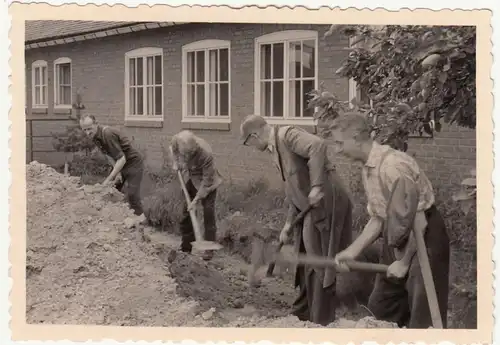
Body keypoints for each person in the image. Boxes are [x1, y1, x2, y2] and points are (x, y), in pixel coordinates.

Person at [331, 112, 450, 329]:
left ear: (356, 137)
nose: (337, 150)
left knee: (423, 316)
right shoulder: (369, 169)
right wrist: (352, 251)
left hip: (424, 238)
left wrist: (404, 263)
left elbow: (419, 221)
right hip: (396, 235)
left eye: (340, 143)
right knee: (382, 309)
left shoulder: (393, 166)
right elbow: (378, 218)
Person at [239, 114, 353, 326]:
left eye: (249, 142)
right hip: (308, 207)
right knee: (303, 254)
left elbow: (317, 146)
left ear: (254, 135)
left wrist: (317, 186)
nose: (252, 147)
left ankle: (321, 321)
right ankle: (302, 313)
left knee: (319, 260)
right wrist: (288, 224)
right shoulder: (276, 152)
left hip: (328, 201)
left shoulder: (286, 135)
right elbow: (295, 190)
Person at [170, 130, 223, 261]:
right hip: (192, 178)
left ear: (195, 148)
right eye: (185, 153)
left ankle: (209, 249)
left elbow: (207, 181)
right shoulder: (176, 140)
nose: (187, 156)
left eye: (190, 154)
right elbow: (173, 150)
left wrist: (195, 200)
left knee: (208, 214)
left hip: (208, 183)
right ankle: (186, 247)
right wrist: (176, 162)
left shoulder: (206, 154)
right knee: (185, 213)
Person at [79, 114, 145, 218]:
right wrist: (117, 173)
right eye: (85, 130)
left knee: (132, 195)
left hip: (133, 163)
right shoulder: (95, 136)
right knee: (110, 191)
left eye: (89, 129)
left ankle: (141, 223)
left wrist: (108, 179)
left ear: (96, 124)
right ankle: (115, 220)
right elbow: (108, 154)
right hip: (120, 164)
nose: (87, 133)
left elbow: (122, 158)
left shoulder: (107, 134)